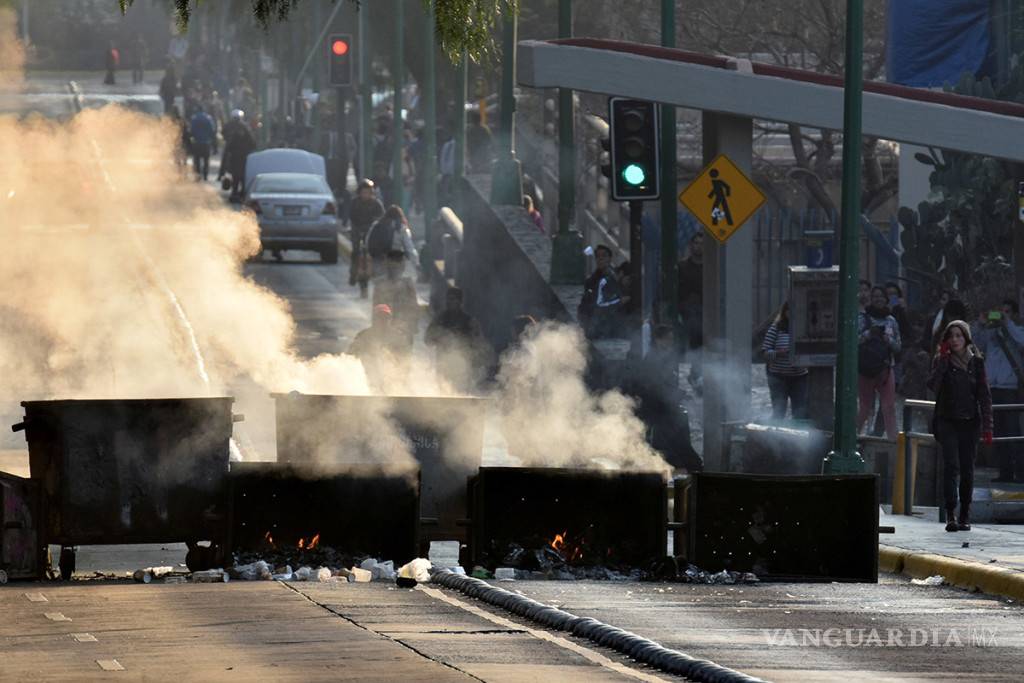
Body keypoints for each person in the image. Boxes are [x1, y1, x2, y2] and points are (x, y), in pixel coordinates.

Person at [928, 320, 993, 531]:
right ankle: (950, 513)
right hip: (947, 419)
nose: (955, 340)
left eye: (959, 336)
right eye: (951, 336)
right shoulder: (942, 360)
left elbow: (984, 395)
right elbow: (933, 385)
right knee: (951, 466)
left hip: (970, 422)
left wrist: (988, 427)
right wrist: (943, 362)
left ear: (966, 338)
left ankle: (965, 514)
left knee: (967, 469)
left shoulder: (977, 362)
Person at [629, 325, 703, 472]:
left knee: (676, 434)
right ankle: (689, 464)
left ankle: (689, 462)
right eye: (667, 339)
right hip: (657, 406)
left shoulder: (666, 357)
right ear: (658, 340)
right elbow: (656, 385)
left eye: (671, 339)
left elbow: (667, 382)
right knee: (672, 436)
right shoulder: (653, 358)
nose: (670, 342)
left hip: (666, 405)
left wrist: (678, 394)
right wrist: (678, 394)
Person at [972, 299, 1024, 483]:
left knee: (1013, 431)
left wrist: (1007, 322)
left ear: (1014, 314)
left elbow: (1020, 340)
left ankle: (1020, 471)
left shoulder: (1017, 330)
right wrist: (981, 322)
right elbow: (975, 341)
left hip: (1009, 388)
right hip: (991, 387)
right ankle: (1005, 471)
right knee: (999, 432)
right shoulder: (991, 332)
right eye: (1000, 312)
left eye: (1007, 312)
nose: (1002, 315)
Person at [425, 287, 492, 392]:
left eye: (453, 299)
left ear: (460, 301)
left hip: (463, 366)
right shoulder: (440, 320)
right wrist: (441, 338)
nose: (450, 302)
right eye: (448, 299)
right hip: (443, 365)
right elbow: (427, 340)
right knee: (443, 393)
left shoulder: (468, 321)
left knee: (460, 394)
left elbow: (478, 343)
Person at [856, 286, 901, 440]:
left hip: (886, 369)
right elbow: (853, 341)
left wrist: (889, 340)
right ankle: (853, 438)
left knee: (889, 407)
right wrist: (869, 334)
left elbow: (898, 347)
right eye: (875, 296)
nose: (878, 299)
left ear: (886, 299)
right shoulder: (862, 318)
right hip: (866, 369)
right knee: (864, 406)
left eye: (881, 296)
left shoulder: (891, 321)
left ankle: (893, 441)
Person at [761, 302, 809, 421]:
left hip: (799, 377)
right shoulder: (776, 328)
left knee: (799, 411)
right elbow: (765, 353)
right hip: (778, 377)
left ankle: (798, 438)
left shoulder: (803, 328)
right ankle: (776, 437)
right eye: (789, 311)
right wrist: (779, 353)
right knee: (779, 411)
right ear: (784, 312)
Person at [348, 304, 407, 393]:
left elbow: (404, 358)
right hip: (368, 375)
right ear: (374, 319)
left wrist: (400, 374)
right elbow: (351, 355)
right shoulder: (364, 335)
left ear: (390, 319)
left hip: (391, 377)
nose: (383, 320)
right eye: (380, 317)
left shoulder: (397, 336)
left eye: (386, 317)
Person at [372, 250, 420, 348]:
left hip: (404, 329)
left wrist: (413, 326)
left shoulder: (408, 284)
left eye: (397, 266)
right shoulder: (380, 285)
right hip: (385, 328)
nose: (395, 269)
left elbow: (414, 307)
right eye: (392, 266)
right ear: (387, 266)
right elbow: (376, 308)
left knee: (404, 358)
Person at [677, 231, 705, 394]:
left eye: (702, 244)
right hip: (687, 314)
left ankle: (697, 376)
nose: (699, 247)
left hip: (705, 314)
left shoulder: (710, 268)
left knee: (703, 348)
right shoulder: (682, 267)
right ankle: (696, 376)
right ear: (690, 245)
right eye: (696, 243)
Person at [348, 180, 386, 297]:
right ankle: (354, 273)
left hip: (371, 232)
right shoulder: (355, 203)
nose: (365, 195)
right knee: (356, 252)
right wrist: (358, 229)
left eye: (368, 192)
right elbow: (352, 216)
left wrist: (374, 227)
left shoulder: (376, 204)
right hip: (358, 230)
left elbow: (381, 217)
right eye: (363, 192)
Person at [577, 244, 622, 339]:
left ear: (609, 259)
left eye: (604, 256)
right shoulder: (591, 280)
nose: (600, 259)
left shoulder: (615, 278)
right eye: (598, 256)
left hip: (610, 327)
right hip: (594, 326)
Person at [366, 205, 419, 276]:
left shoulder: (376, 225)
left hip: (378, 261)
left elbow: (367, 242)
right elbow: (410, 248)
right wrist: (416, 263)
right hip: (396, 261)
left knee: (379, 282)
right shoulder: (402, 229)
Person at [219, 110, 256, 200]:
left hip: (235, 155)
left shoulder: (230, 126)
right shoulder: (245, 127)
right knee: (242, 174)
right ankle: (242, 192)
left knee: (235, 174)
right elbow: (252, 142)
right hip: (243, 155)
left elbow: (224, 135)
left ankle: (235, 192)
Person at [189, 106, 217, 181]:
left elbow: (192, 130)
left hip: (197, 143)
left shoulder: (194, 118)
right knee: (206, 160)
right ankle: (205, 175)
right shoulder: (208, 118)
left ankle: (198, 175)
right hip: (206, 143)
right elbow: (212, 130)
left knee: (197, 160)